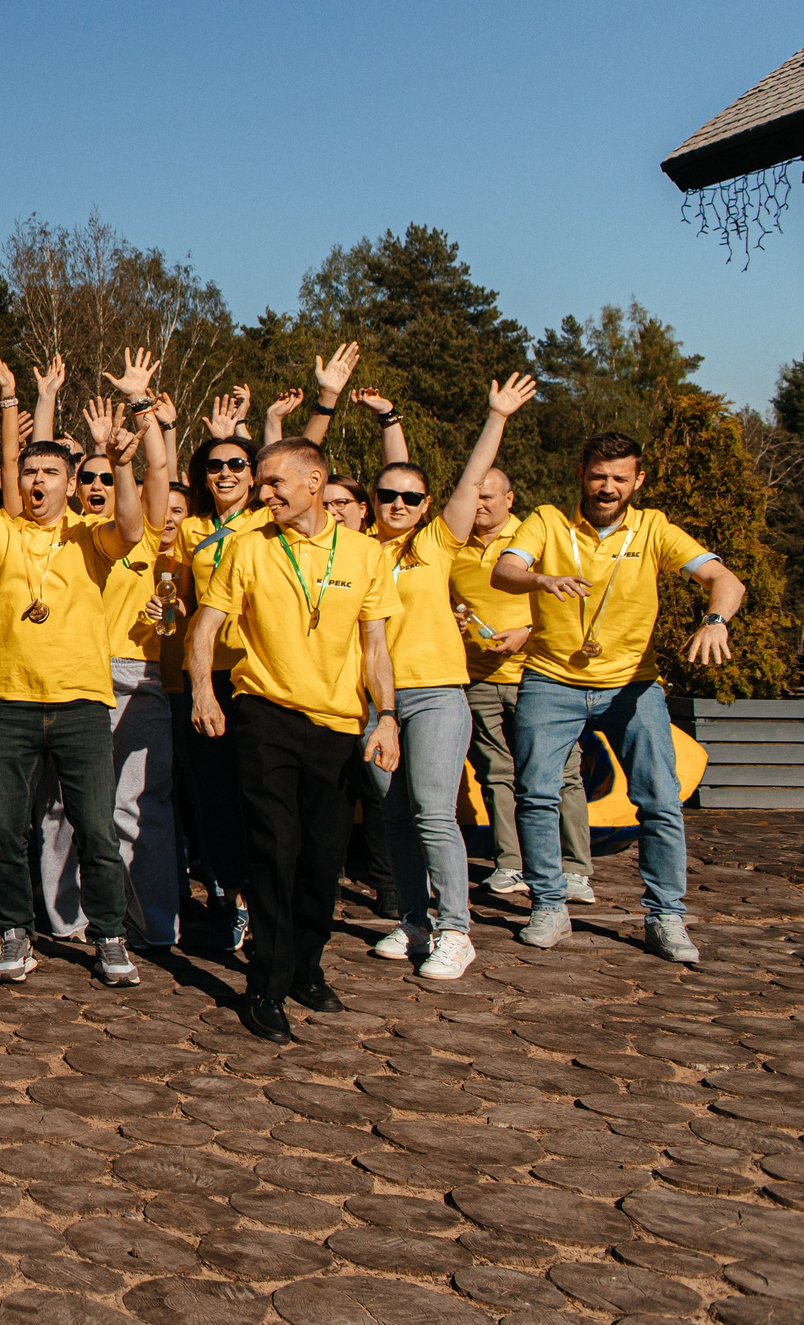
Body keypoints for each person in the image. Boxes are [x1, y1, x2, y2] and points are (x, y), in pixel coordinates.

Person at [0, 350, 168, 989]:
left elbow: (129, 521)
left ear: (68, 483)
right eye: (29, 472)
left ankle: (110, 936)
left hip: (80, 702)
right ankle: (15, 932)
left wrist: (121, 464)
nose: (36, 483)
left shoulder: (90, 536)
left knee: (94, 825)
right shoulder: (3, 532)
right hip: (6, 700)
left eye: (49, 474)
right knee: (3, 825)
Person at [492, 430, 747, 963]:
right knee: (536, 794)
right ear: (581, 474)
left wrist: (716, 620)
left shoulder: (653, 528)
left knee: (659, 800)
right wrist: (540, 580)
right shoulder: (547, 521)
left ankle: (667, 917)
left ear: (637, 481)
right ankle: (549, 906)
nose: (607, 487)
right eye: (598, 475)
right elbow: (504, 570)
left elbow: (725, 579)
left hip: (633, 685)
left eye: (619, 478)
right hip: (551, 680)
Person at [187, 436, 403, 1045]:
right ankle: (265, 985)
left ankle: (307, 964)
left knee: (323, 858)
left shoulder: (364, 555)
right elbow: (206, 626)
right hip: (264, 713)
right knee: (274, 848)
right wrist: (205, 692)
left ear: (314, 482)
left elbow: (376, 646)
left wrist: (385, 716)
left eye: (275, 482)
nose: (265, 493)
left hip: (336, 724)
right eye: (261, 483)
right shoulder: (247, 548)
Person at [358, 375, 535, 983]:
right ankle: (413, 921)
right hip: (374, 702)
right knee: (397, 817)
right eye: (388, 497)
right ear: (373, 502)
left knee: (434, 811)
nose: (399, 505)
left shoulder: (436, 543)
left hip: (435, 695)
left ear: (428, 506)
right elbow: (393, 472)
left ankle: (455, 930)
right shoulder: (355, 551)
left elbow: (465, 478)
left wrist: (497, 416)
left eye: (411, 497)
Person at [27, 383, 184, 959]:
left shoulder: (140, 532)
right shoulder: (62, 535)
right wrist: (40, 405)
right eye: (85, 478)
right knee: (62, 806)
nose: (96, 486)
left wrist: (143, 414)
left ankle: (155, 924)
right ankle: (69, 919)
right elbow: (37, 472)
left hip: (136, 676)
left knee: (137, 807)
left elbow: (159, 474)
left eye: (105, 478)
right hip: (73, 675)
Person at [451, 468, 593, 902]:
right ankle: (510, 864)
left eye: (489, 497)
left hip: (538, 675)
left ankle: (575, 870)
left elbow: (568, 602)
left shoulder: (536, 538)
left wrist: (526, 632)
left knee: (562, 773)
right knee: (496, 774)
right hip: (478, 676)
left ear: (510, 499)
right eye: (475, 497)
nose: (480, 505)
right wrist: (454, 618)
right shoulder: (453, 545)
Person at [174, 422, 269, 954]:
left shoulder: (271, 522)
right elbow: (185, 601)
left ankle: (266, 904)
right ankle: (232, 901)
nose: (227, 473)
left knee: (259, 794)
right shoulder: (193, 531)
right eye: (216, 466)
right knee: (214, 795)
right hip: (209, 676)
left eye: (237, 465)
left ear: (254, 475)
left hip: (259, 676)